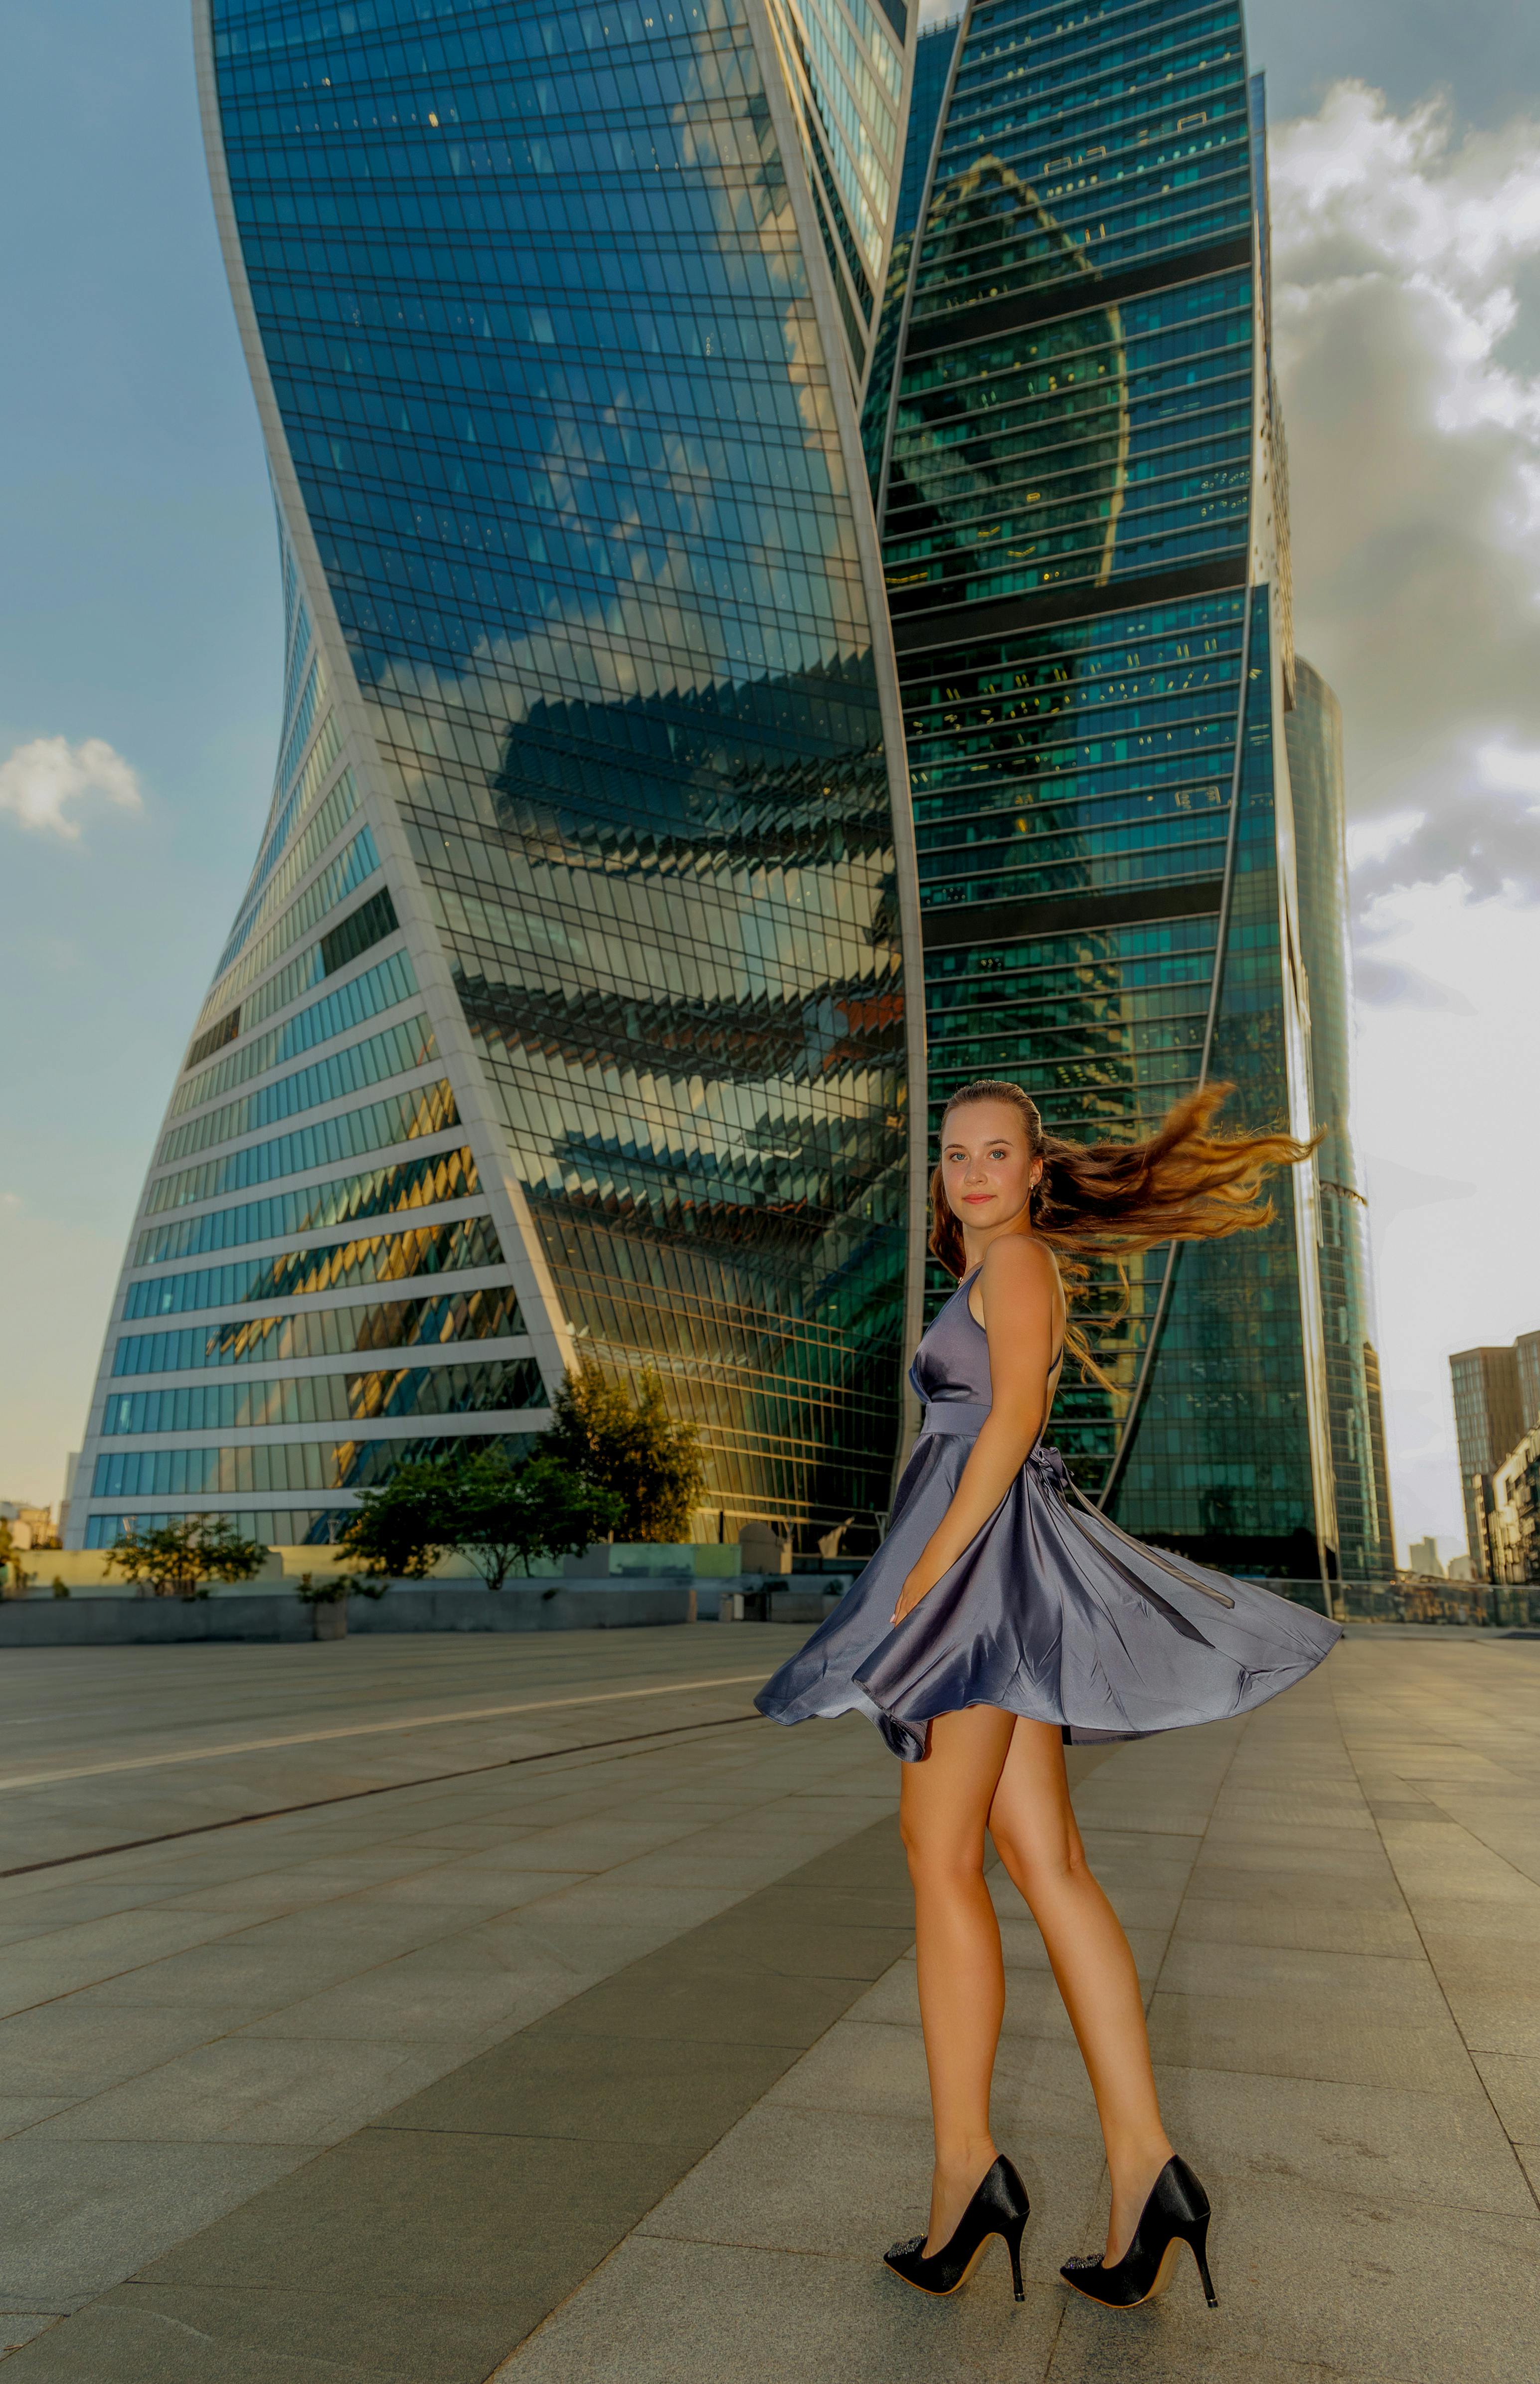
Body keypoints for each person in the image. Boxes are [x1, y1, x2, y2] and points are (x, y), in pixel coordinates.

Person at [757, 1079, 1341, 2314]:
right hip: (997, 1576)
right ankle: (1146, 2170)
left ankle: (968, 2174)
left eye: (996, 1153)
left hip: (978, 1584)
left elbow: (1014, 1415)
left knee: (937, 1855)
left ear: (1033, 1172)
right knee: (1049, 1862)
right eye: (955, 1156)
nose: (972, 1172)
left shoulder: (1015, 1264)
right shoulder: (986, 1269)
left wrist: (925, 1571)